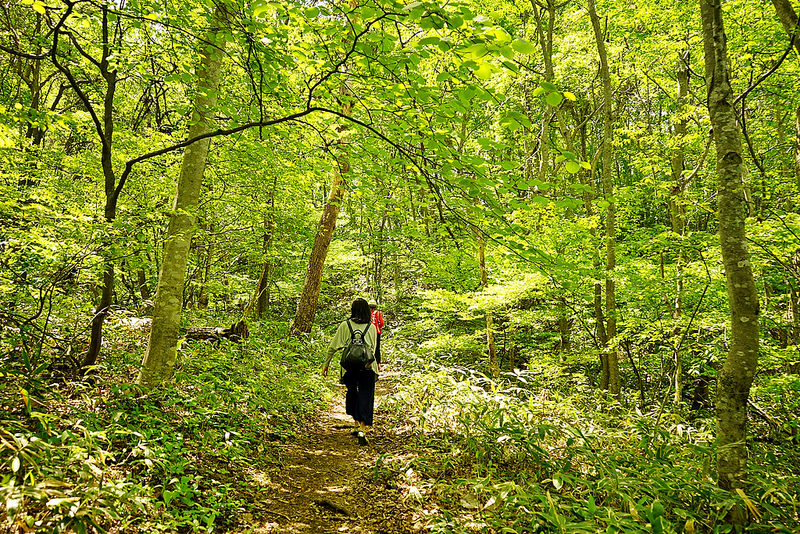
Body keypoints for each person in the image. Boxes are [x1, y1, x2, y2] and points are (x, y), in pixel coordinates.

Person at [322, 298, 379, 446]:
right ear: (367, 310)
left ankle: (355, 424)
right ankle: (361, 428)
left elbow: (333, 347)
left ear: (352, 310)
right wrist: (376, 367)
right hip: (367, 367)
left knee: (353, 392)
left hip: (349, 367)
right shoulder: (371, 327)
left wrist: (326, 364)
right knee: (366, 395)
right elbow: (373, 350)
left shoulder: (344, 325)